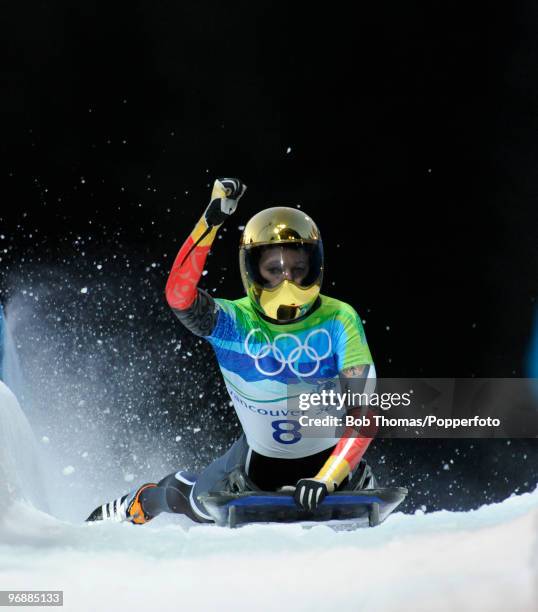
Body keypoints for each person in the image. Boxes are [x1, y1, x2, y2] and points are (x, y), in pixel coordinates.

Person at [87, 178, 377, 525]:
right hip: (254, 460)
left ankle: (351, 474)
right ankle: (143, 501)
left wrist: (327, 478)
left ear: (315, 266)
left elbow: (366, 415)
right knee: (188, 500)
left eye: (298, 270)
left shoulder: (340, 319)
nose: (288, 281)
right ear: (254, 270)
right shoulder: (232, 321)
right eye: (274, 270)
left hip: (329, 462)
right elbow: (179, 297)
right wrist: (210, 222)